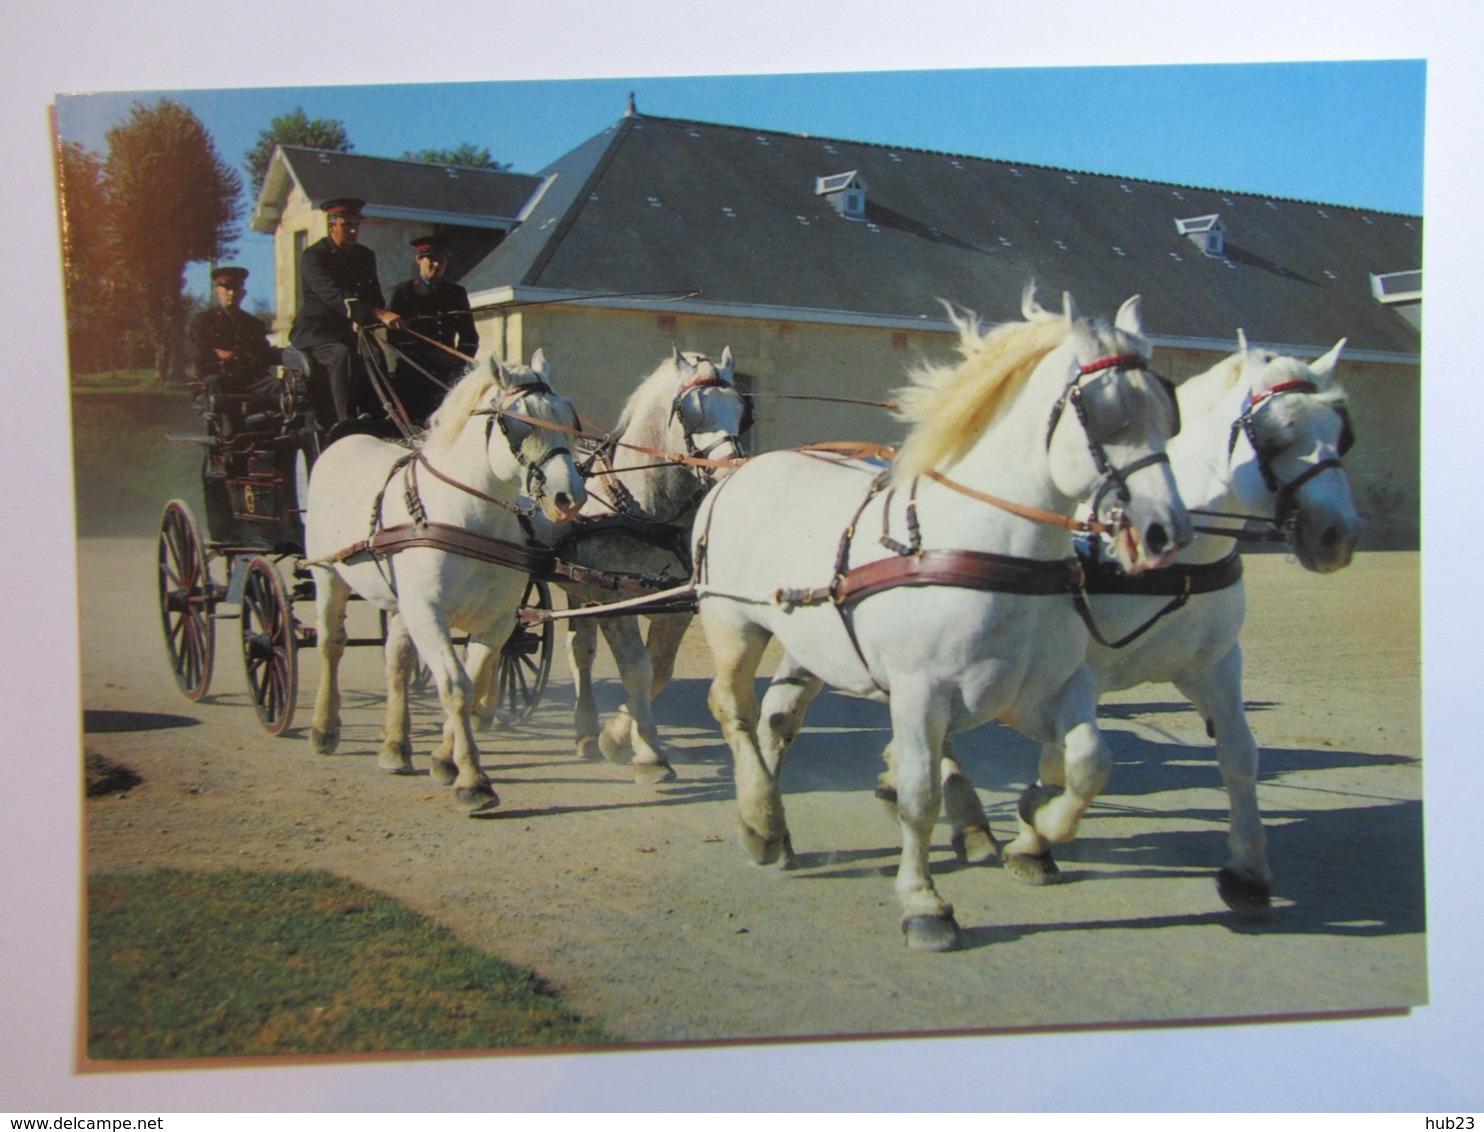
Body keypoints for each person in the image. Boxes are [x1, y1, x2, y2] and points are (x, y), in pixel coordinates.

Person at [288, 197, 402, 426]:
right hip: (319, 333)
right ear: (331, 226)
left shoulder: (364, 255)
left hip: (350, 330)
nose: (352, 230)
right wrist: (374, 314)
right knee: (341, 356)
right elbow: (333, 295)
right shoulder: (313, 256)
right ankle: (344, 422)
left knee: (377, 356)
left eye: (356, 225)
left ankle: (377, 418)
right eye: (346, 225)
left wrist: (371, 318)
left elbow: (373, 295)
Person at [386, 234, 480, 427]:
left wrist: (459, 359)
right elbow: (395, 339)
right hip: (415, 371)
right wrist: (429, 356)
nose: (437, 265)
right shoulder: (403, 293)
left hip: (450, 371)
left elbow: (469, 336)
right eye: (432, 259)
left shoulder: (456, 293)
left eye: (442, 260)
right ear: (419, 259)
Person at [187, 265, 283, 432]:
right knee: (218, 390)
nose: (231, 293)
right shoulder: (203, 321)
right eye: (226, 288)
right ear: (217, 291)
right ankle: (227, 439)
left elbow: (263, 355)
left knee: (279, 387)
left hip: (249, 380)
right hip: (219, 378)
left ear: (243, 292)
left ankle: (278, 437)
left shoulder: (253, 324)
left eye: (236, 288)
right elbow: (198, 353)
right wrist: (221, 356)